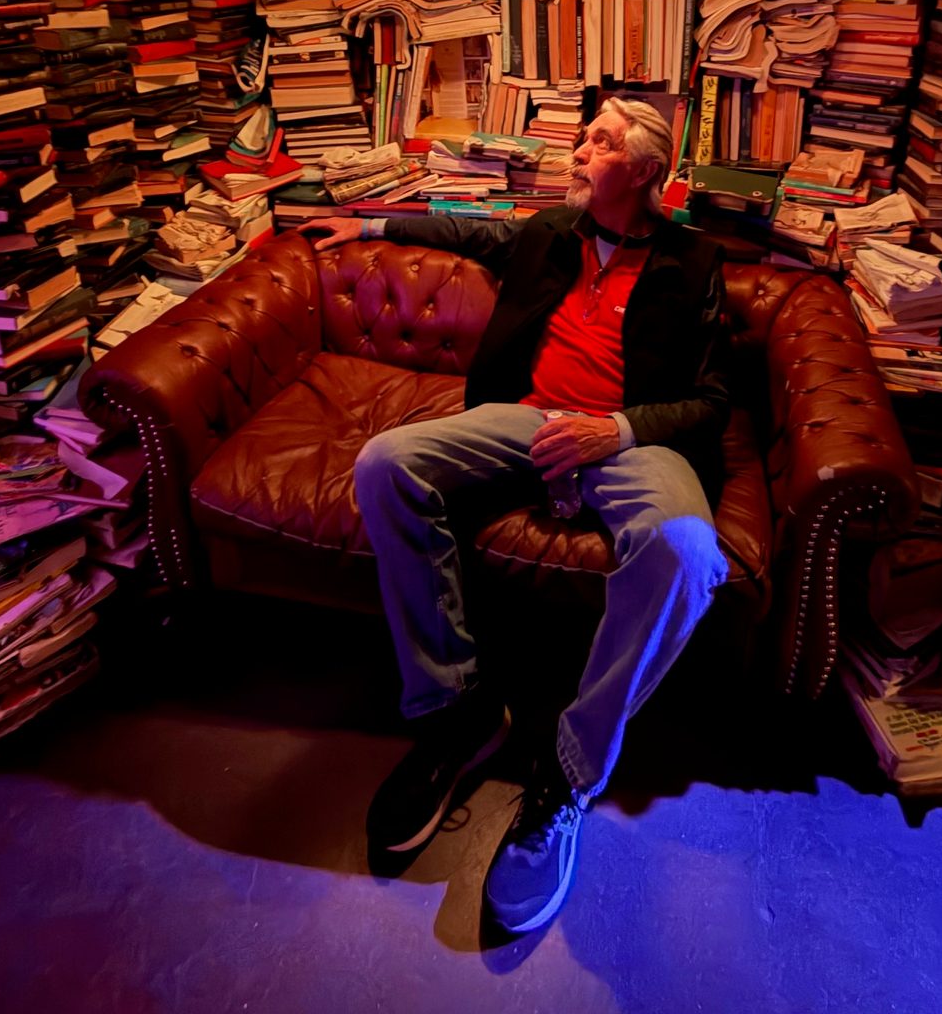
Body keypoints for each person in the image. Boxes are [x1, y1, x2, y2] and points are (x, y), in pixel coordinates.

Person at [301, 97, 732, 934]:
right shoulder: (546, 233)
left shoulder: (694, 260)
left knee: (683, 550)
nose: (578, 150)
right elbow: (463, 229)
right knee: (386, 462)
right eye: (584, 135)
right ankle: (455, 708)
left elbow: (712, 401)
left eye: (600, 143)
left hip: (629, 438)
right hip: (524, 419)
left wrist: (617, 428)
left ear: (644, 172)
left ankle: (568, 769)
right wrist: (363, 226)